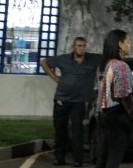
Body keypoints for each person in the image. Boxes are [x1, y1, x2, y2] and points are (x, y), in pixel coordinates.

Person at [40, 36, 102, 167]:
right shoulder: (63, 59)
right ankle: (59, 158)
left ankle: (78, 160)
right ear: (74, 47)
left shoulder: (93, 59)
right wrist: (54, 77)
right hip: (61, 99)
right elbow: (43, 62)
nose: (81, 48)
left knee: (77, 130)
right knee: (60, 129)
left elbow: (110, 58)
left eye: (83, 46)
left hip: (79, 101)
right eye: (79, 46)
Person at [95, 29, 133, 168]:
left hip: (104, 114)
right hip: (118, 116)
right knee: (114, 158)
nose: (130, 45)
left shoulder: (104, 65)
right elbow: (123, 94)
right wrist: (132, 115)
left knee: (103, 156)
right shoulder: (120, 66)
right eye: (128, 41)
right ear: (120, 45)